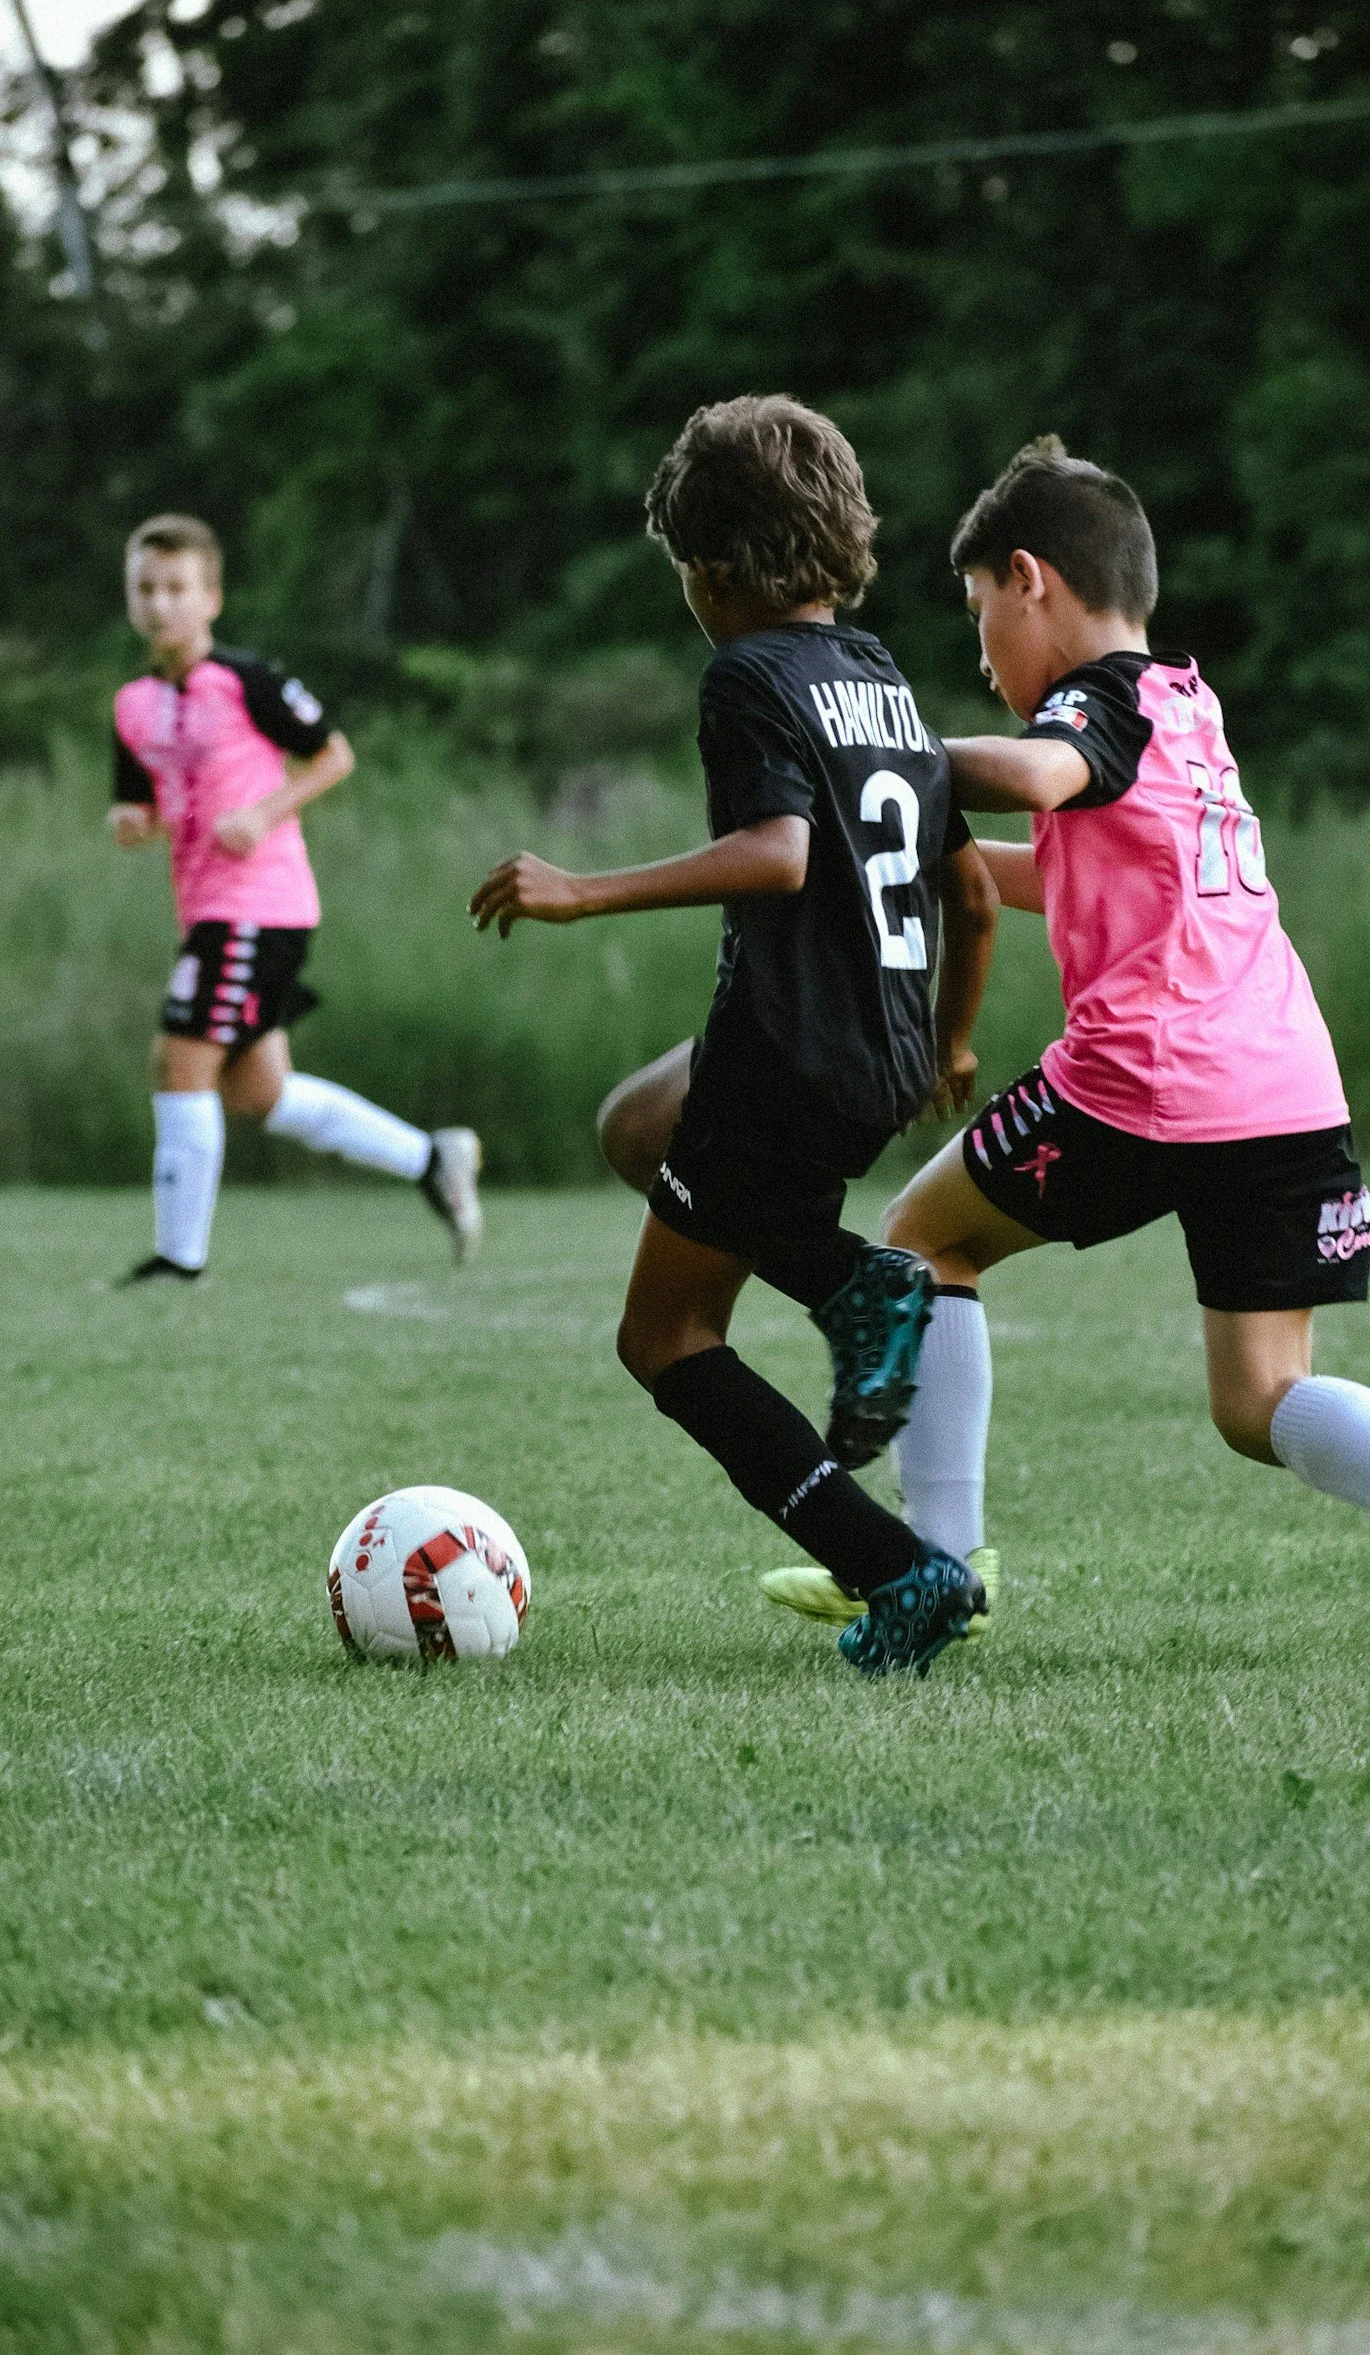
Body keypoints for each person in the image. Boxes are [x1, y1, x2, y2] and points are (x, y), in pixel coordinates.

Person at [775, 436, 1370, 1658]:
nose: (979, 653)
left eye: (977, 617)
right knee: (1258, 1400)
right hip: (1285, 1088)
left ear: (1033, 580)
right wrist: (905, 858)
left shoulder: (1097, 702)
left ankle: (931, 1568)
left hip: (1150, 1083)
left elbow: (1036, 772)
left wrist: (874, 754)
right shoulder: (1187, 702)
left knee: (923, 1237)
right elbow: (1067, 867)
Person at [471, 396, 1001, 1675]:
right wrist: (950, 1043)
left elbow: (778, 856)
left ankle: (899, 1570)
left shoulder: (746, 675)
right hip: (873, 1048)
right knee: (637, 1126)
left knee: (665, 1340)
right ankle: (842, 1280)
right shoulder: (877, 675)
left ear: (713, 571)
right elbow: (974, 892)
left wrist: (582, 888)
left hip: (788, 1056)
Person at [109, 513, 480, 1281]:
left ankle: (179, 1262)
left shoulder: (249, 680)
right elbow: (145, 803)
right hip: (205, 908)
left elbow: (333, 756)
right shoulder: (133, 704)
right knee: (255, 1090)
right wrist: (133, 822)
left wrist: (264, 811)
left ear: (211, 597)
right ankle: (429, 1158)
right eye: (145, 588)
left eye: (177, 587)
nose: (159, 604)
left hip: (258, 903)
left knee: (179, 1061)